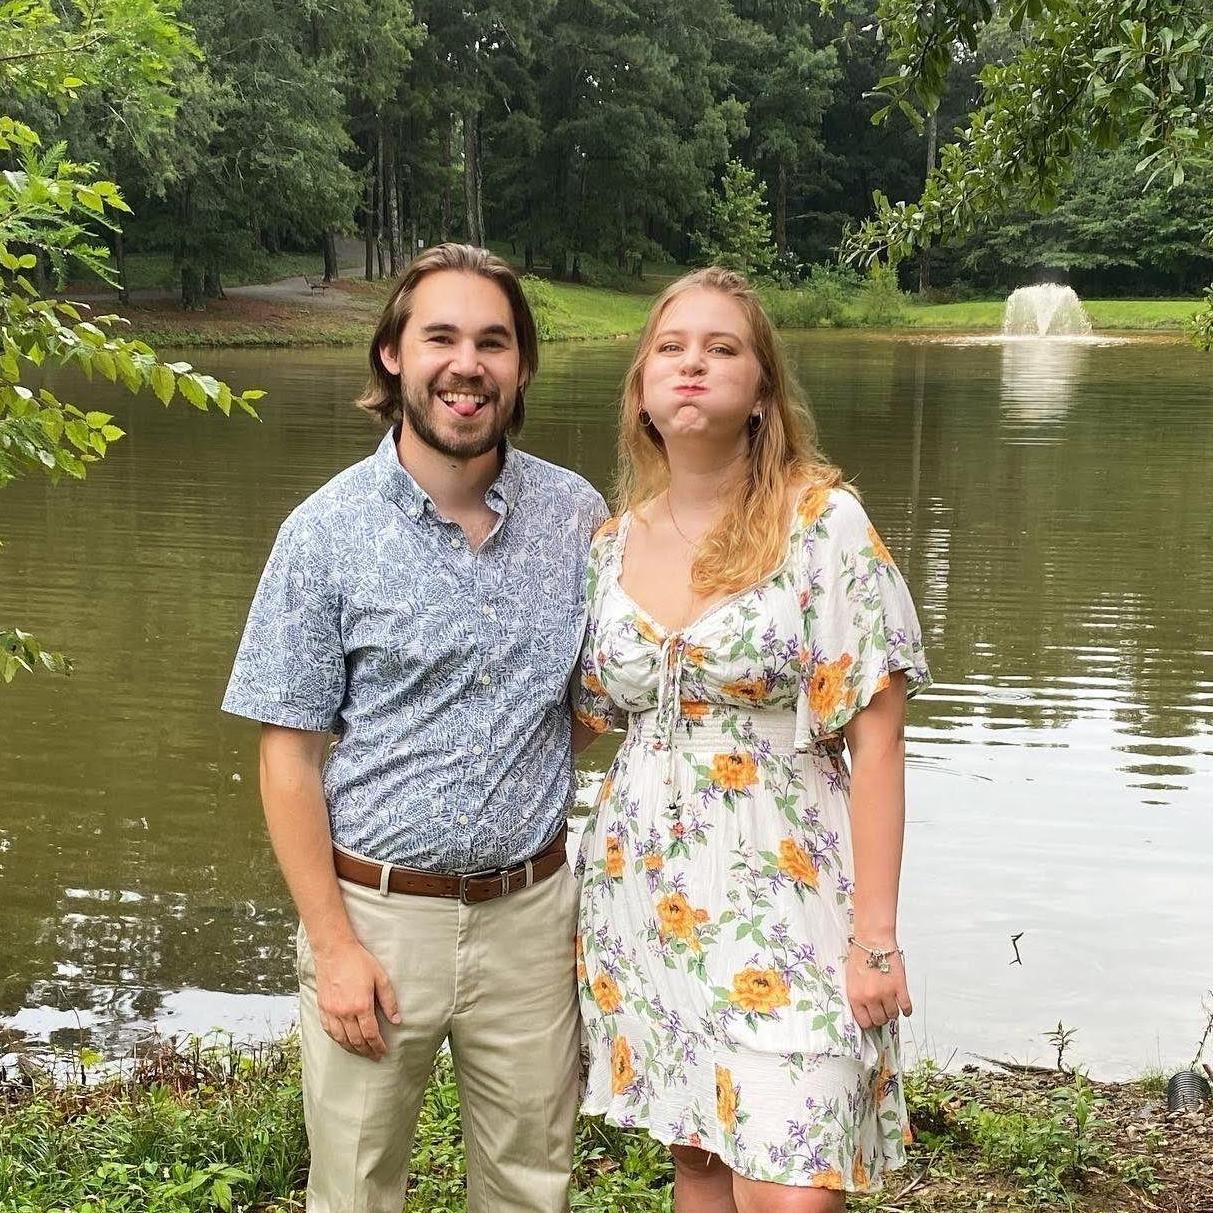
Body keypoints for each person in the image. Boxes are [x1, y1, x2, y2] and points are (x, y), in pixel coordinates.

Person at [222, 243, 607, 1213]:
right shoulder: (324, 531)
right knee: (354, 1190)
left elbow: (589, 707)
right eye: (440, 337)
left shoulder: (578, 517)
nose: (466, 365)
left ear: (520, 365)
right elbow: (287, 758)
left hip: (531, 919)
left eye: (493, 341)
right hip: (375, 918)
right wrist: (334, 944)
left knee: (530, 1188)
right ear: (393, 354)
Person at [573, 267, 931, 1210]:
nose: (691, 363)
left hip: (787, 896)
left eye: (721, 347)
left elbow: (878, 739)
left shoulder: (820, 524)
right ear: (641, 390)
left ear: (763, 390)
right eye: (670, 347)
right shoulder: (609, 545)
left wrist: (876, 938)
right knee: (699, 1159)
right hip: (645, 898)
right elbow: (586, 719)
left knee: (793, 1181)